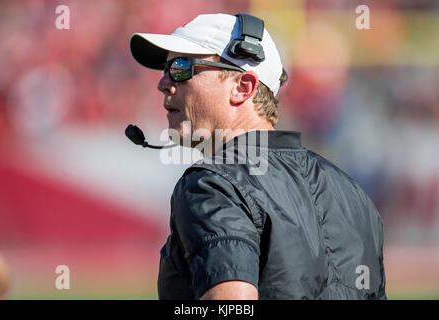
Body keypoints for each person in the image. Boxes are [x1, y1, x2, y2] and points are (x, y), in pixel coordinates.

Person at [129, 13, 386, 300]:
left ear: (243, 87)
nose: (163, 83)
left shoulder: (214, 185)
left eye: (180, 67)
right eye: (165, 69)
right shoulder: (353, 194)